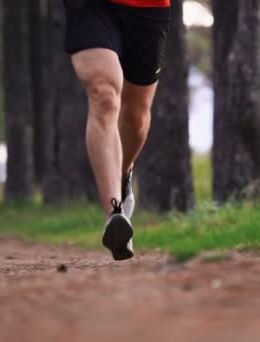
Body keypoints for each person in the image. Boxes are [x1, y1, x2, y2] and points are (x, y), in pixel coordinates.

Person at [63, 0, 171, 261]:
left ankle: (122, 175)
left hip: (147, 7)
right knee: (104, 94)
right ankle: (114, 213)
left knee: (136, 117)